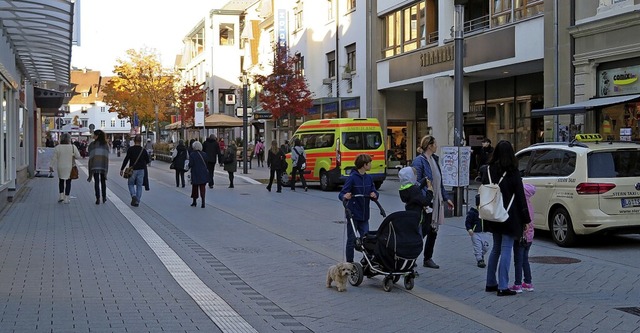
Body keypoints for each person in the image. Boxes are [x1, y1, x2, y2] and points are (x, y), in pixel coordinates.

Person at [482, 140, 530, 296]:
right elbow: (521, 197)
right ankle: (503, 286)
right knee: (506, 249)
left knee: (495, 248)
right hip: (509, 215)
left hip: (493, 214)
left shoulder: (488, 170)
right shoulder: (513, 172)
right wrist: (526, 220)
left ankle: (490, 282)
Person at [411, 135, 454, 269]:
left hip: (436, 201)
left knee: (433, 230)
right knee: (423, 230)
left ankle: (428, 258)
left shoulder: (434, 159)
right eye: (435, 144)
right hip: (426, 201)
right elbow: (416, 182)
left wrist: (446, 197)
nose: (436, 146)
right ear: (429, 146)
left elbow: (438, 182)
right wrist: (424, 199)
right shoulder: (419, 161)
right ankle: (411, 258)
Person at [338, 154, 379, 263]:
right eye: (369, 163)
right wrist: (344, 196)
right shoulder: (352, 178)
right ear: (364, 165)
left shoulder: (369, 178)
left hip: (365, 214)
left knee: (366, 239)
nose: (371, 165)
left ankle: (368, 261)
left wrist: (374, 194)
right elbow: (341, 193)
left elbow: (374, 191)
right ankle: (349, 263)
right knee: (351, 239)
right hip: (353, 214)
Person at [510, 183, 536, 293]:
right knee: (525, 260)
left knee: (518, 261)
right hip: (529, 238)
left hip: (521, 237)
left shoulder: (521, 206)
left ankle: (518, 284)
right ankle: (528, 283)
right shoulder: (530, 205)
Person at [398, 166, 434, 231]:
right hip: (417, 216)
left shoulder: (404, 188)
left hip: (410, 215)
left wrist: (424, 180)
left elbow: (417, 187)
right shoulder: (414, 189)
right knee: (419, 235)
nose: (416, 176)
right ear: (410, 176)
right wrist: (430, 190)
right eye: (414, 174)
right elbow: (425, 202)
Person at [49, 133, 82, 204]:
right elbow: (78, 156)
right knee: (68, 182)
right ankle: (66, 198)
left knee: (61, 181)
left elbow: (53, 158)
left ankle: (61, 196)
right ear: (69, 139)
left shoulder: (58, 147)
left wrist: (51, 166)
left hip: (60, 167)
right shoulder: (73, 147)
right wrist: (73, 155)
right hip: (69, 167)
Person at [120, 135, 151, 207]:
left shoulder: (130, 149)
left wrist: (122, 169)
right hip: (141, 170)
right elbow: (147, 161)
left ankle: (133, 195)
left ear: (134, 141)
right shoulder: (143, 150)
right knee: (139, 186)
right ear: (140, 141)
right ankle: (137, 201)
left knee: (130, 184)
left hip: (132, 170)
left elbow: (126, 160)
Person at [465, 194, 490, 268]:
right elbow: (468, 222)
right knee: (477, 246)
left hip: (484, 233)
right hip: (475, 233)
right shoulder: (473, 213)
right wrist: (469, 229)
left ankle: (480, 254)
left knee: (486, 247)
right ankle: (479, 260)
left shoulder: (486, 213)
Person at [87, 130, 110, 204]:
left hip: (94, 165)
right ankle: (104, 197)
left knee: (96, 182)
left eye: (94, 135)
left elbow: (89, 152)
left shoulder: (92, 144)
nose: (93, 136)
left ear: (97, 136)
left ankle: (98, 198)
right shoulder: (105, 145)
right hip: (103, 165)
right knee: (103, 182)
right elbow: (107, 155)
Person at [188, 141, 209, 208]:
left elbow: (190, 164)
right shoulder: (204, 154)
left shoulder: (192, 154)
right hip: (203, 172)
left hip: (195, 172)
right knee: (202, 187)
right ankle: (203, 202)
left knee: (195, 187)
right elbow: (207, 163)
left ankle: (194, 201)